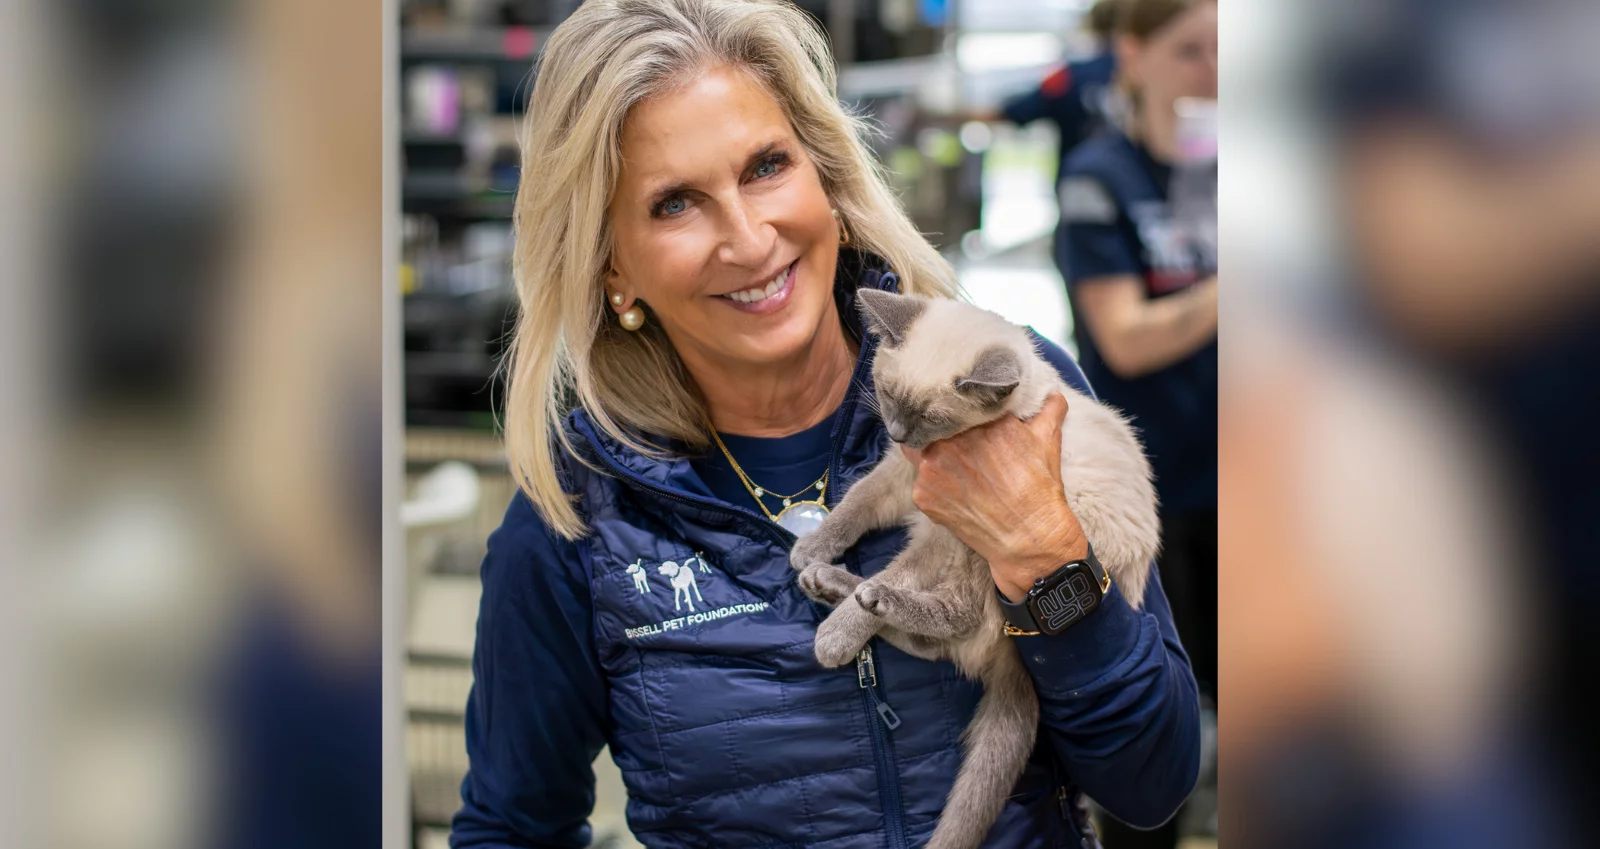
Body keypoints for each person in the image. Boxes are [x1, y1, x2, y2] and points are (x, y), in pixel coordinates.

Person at [450, 1, 1200, 847]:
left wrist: (1043, 551)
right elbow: (509, 827)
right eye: (674, 205)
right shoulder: (578, 515)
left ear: (829, 184)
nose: (747, 236)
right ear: (611, 266)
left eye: (767, 166)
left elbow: (1153, 779)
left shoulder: (1013, 393)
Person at [1053, 0, 1217, 845]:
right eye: (1192, 51)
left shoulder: (1213, 165)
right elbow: (1125, 336)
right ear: (1133, 55)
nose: (1216, 72)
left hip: (1250, 487)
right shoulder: (1098, 177)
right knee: (1150, 740)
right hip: (1146, 505)